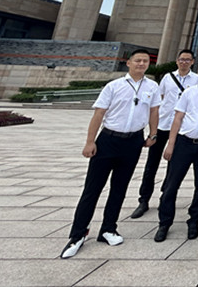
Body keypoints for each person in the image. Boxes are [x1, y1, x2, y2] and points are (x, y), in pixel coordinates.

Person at [61, 49, 160, 258]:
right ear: (129, 63)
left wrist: (153, 134)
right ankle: (78, 234)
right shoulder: (114, 86)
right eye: (138, 60)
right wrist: (90, 142)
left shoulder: (152, 86)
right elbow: (99, 114)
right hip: (108, 139)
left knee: (119, 188)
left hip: (133, 141)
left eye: (145, 61)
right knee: (92, 188)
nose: (141, 64)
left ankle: (108, 229)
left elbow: (153, 111)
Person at [155, 60, 198, 242]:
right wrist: (171, 144)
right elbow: (178, 118)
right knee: (172, 184)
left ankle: (194, 220)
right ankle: (164, 223)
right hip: (184, 143)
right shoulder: (189, 92)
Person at [130, 48, 198, 219]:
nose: (184, 62)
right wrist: (152, 129)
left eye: (187, 60)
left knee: (173, 167)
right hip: (162, 125)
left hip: (181, 129)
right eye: (181, 59)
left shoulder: (197, 80)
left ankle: (165, 197)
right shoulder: (168, 78)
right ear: (177, 61)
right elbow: (158, 100)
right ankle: (144, 199)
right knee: (151, 165)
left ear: (192, 62)